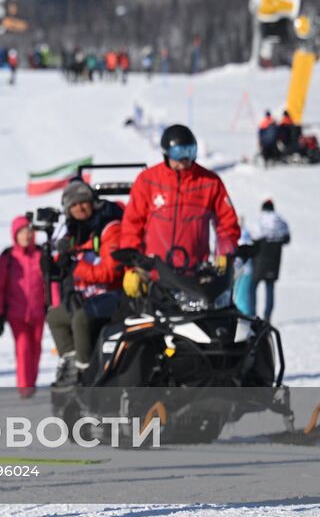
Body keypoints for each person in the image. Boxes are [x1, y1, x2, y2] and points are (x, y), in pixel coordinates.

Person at [119, 125, 240, 301]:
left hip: (194, 277)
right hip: (155, 275)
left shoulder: (209, 182)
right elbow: (132, 225)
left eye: (190, 152)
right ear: (166, 153)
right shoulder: (148, 181)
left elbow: (227, 223)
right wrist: (131, 268)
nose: (185, 159)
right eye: (179, 153)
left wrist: (225, 252)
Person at [44, 181, 124, 385]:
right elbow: (62, 264)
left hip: (112, 294)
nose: (80, 208)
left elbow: (111, 271)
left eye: (84, 202)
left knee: (80, 318)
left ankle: (85, 371)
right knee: (55, 317)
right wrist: (55, 261)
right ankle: (70, 362)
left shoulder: (109, 228)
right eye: (74, 205)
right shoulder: (74, 231)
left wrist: (76, 269)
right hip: (85, 295)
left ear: (92, 203)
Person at [0, 216, 46, 398]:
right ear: (15, 235)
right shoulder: (8, 257)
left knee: (36, 348)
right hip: (16, 312)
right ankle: (24, 386)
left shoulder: (41, 254)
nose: (26, 235)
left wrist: (54, 304)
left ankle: (32, 381)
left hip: (38, 310)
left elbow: (49, 282)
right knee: (23, 347)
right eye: (22, 232)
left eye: (29, 231)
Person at [249, 200, 291, 321]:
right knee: (270, 288)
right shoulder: (281, 222)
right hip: (274, 262)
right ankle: (267, 316)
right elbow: (287, 239)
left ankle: (252, 315)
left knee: (252, 287)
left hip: (259, 261)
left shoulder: (259, 221)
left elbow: (253, 238)